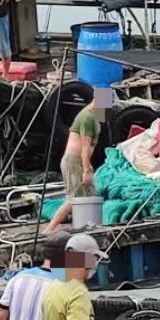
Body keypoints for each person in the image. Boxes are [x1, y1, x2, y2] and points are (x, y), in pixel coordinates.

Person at [45, 89, 110, 234]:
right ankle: (49, 229)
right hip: (74, 161)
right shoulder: (87, 118)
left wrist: (87, 165)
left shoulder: (94, 118)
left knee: (92, 195)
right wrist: (85, 169)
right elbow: (85, 146)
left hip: (81, 161)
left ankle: (89, 225)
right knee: (74, 198)